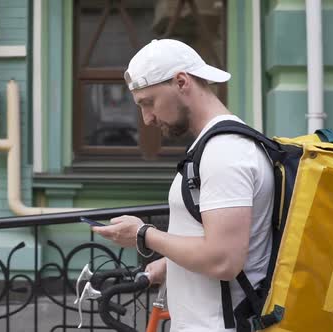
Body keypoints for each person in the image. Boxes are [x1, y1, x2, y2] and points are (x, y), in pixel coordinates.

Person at [92, 39, 274, 332]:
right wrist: (168, 264)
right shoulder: (216, 146)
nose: (147, 118)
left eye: (148, 102)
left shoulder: (224, 152)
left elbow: (223, 259)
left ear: (181, 82)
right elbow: (219, 240)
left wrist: (144, 235)